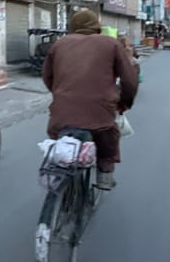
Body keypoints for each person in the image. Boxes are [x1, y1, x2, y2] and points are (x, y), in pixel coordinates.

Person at [42, 10, 138, 190]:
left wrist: (62, 94)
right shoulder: (111, 44)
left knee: (59, 139)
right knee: (108, 137)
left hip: (61, 116)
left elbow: (48, 77)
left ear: (73, 28)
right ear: (97, 28)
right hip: (100, 115)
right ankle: (105, 174)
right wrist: (124, 103)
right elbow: (130, 80)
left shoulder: (59, 44)